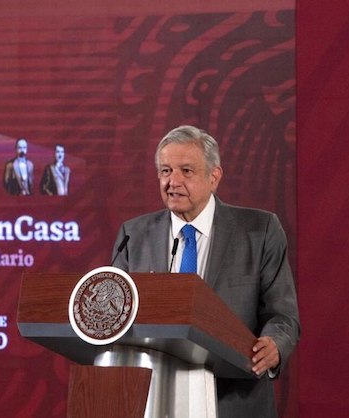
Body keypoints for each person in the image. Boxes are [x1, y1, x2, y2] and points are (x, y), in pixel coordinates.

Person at [111, 125, 300, 418]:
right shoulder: (134, 235)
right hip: (152, 400)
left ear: (214, 177)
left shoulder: (259, 231)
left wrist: (274, 344)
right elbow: (114, 315)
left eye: (186, 171)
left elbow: (283, 315)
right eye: (165, 171)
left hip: (233, 400)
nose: (172, 181)